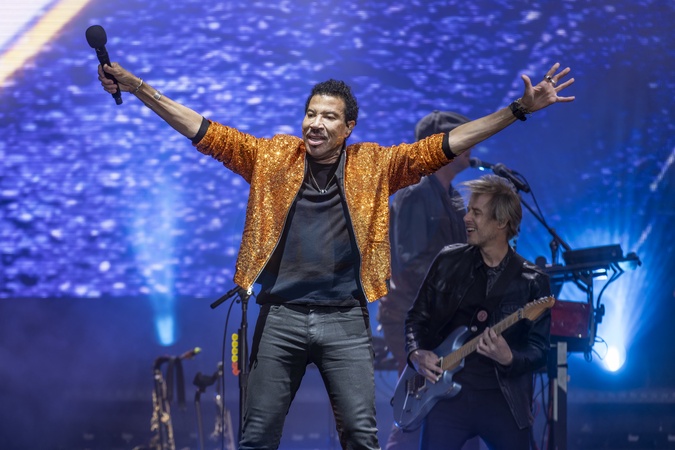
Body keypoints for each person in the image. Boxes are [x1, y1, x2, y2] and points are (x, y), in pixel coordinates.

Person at [96, 60, 573, 450]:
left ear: (348, 128)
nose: (315, 123)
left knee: (362, 439)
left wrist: (517, 110)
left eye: (328, 117)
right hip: (279, 317)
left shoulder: (374, 166)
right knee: (257, 437)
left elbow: (446, 145)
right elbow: (204, 130)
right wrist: (139, 88)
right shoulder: (273, 157)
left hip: (344, 320)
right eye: (310, 114)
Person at [404, 174, 553, 450]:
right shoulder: (448, 261)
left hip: (503, 400)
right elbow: (416, 318)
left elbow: (540, 350)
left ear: (501, 222)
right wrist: (416, 353)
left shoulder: (532, 280)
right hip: (445, 399)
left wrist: (510, 358)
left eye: (476, 212)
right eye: (468, 210)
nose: (466, 218)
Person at [377, 110, 472, 450]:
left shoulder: (453, 198)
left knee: (442, 411)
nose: (471, 144)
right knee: (418, 410)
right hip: (412, 319)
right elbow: (410, 264)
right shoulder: (415, 193)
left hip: (440, 319)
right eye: (462, 137)